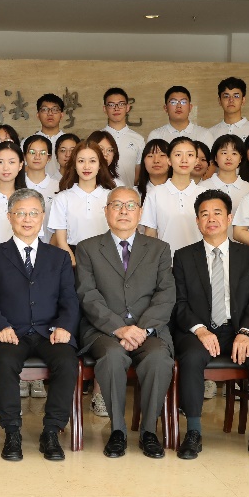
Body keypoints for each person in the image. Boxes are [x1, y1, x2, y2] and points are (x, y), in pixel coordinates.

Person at [0, 188, 79, 462]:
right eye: (20, 213)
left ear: (43, 216)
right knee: (5, 361)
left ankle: (52, 431)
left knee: (67, 361)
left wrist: (64, 326)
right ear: (9, 216)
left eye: (33, 213)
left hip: (49, 332)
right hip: (10, 332)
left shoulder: (58, 257)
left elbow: (69, 299)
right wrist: (1, 326)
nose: (27, 219)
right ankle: (12, 432)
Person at [171, 189, 249, 462]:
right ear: (197, 221)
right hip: (199, 330)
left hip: (238, 328)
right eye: (204, 214)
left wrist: (245, 332)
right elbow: (179, 303)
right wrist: (200, 330)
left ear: (229, 218)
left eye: (217, 213)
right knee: (191, 357)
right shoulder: (183, 256)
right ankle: (193, 431)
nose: (211, 219)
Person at [74, 187, 176, 459]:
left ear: (140, 213)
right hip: (104, 331)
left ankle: (148, 431)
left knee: (158, 358)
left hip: (148, 330)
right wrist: (119, 328)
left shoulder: (159, 249)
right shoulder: (87, 248)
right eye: (116, 205)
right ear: (106, 211)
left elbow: (166, 294)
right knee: (112, 356)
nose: (123, 211)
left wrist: (142, 329)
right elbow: (87, 294)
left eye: (130, 206)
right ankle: (117, 430)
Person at [49, 140, 116, 265]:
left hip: (107, 258)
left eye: (92, 161)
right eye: (81, 161)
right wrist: (75, 266)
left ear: (100, 165)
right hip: (72, 257)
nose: (86, 166)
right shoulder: (62, 198)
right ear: (74, 164)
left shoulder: (111, 197)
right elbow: (61, 241)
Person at [141, 136, 204, 257]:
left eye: (190, 155)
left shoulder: (204, 194)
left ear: (196, 160)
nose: (184, 160)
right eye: (178, 155)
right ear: (169, 160)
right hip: (166, 262)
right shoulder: (155, 193)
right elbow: (150, 235)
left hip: (199, 261)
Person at [99, 87, 147, 187]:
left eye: (121, 104)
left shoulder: (138, 139)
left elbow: (137, 174)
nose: (116, 108)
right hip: (101, 193)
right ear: (104, 109)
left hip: (128, 193)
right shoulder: (97, 138)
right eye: (111, 105)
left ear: (127, 107)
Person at [200, 133, 249, 213]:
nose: (229, 158)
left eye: (234, 153)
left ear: (240, 158)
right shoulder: (202, 187)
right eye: (224, 153)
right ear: (215, 157)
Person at [146, 86, 213, 147]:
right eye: (173, 102)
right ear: (165, 108)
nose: (179, 106)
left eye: (183, 102)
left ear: (190, 107)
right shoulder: (156, 135)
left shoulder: (204, 135)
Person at [206, 77, 249, 141]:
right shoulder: (210, 133)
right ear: (219, 100)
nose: (231, 100)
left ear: (243, 100)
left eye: (236, 96)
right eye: (226, 96)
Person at [22, 135, 59, 239]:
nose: (37, 157)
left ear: (49, 157)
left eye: (42, 153)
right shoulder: (16, 186)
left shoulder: (58, 187)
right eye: (32, 152)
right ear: (24, 156)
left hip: (50, 246)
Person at [30, 93, 67, 179]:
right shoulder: (28, 142)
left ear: (61, 115)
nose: (50, 113)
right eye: (45, 109)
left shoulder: (70, 142)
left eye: (55, 109)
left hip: (66, 185)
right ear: (38, 115)